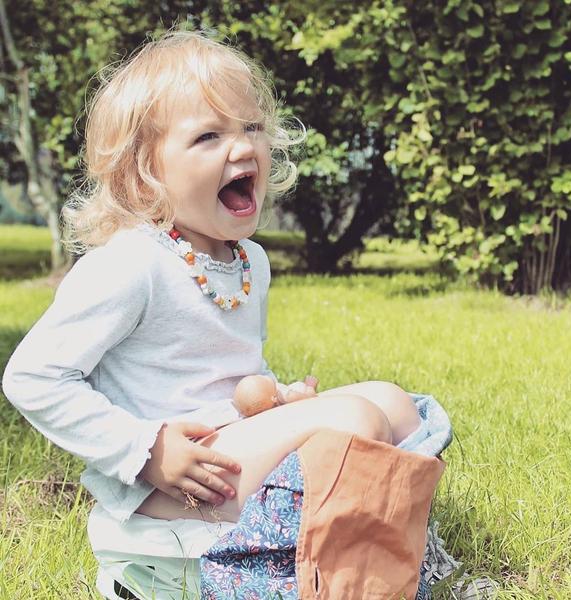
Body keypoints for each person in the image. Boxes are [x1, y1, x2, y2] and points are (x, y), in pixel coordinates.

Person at [2, 28, 421, 544]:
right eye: (208, 136)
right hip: (173, 482)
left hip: (232, 445)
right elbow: (33, 377)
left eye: (252, 127)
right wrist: (146, 450)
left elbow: (233, 377)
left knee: (394, 404)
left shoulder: (250, 261)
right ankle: (344, 556)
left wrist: (278, 398)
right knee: (357, 419)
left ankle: (388, 549)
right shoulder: (133, 263)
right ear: (144, 173)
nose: (243, 146)